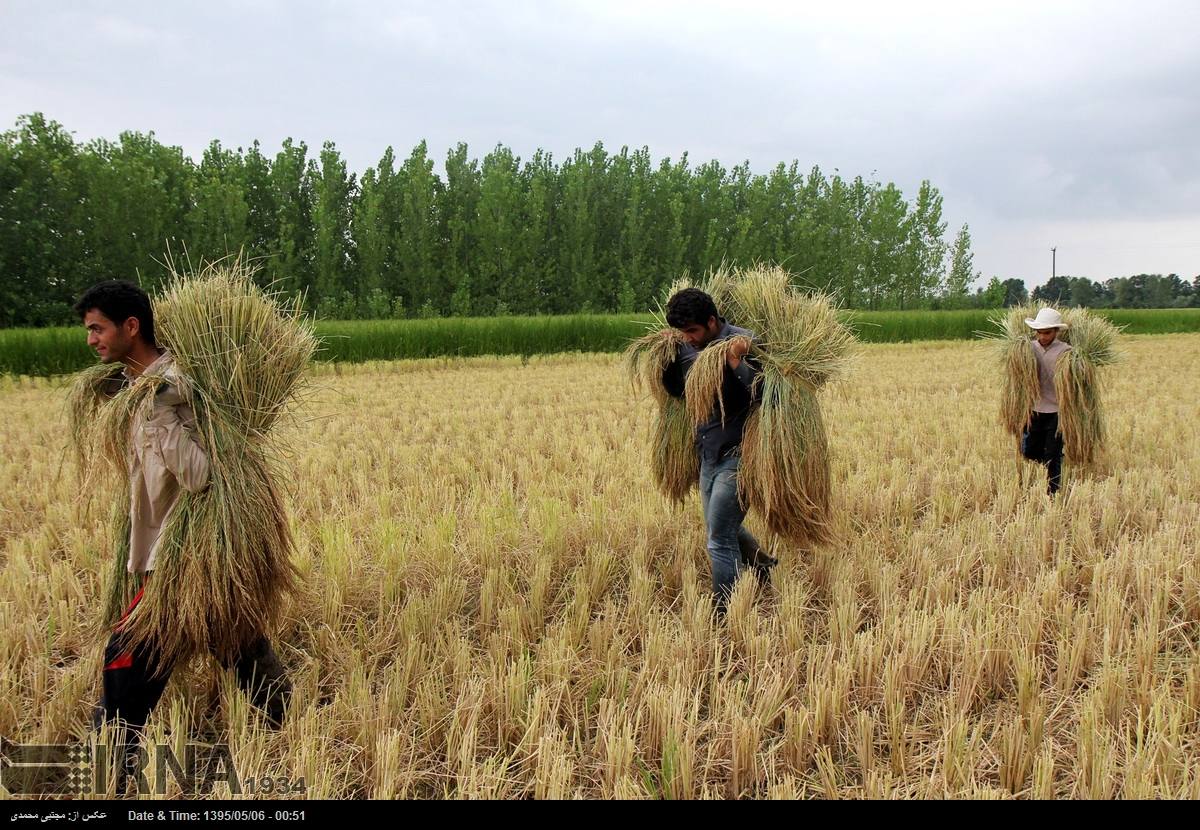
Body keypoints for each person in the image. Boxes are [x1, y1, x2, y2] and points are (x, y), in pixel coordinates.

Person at [74, 280, 290, 789]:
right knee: (229, 630)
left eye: (97, 328)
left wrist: (160, 415)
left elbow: (199, 475)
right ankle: (282, 712)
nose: (91, 340)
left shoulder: (171, 389)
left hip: (183, 549)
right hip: (172, 544)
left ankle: (113, 753)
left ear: (132, 327)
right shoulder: (140, 387)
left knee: (129, 651)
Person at [660, 287, 777, 616]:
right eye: (683, 332)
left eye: (693, 331)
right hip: (707, 453)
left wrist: (736, 362)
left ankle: (727, 611)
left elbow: (769, 394)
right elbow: (679, 393)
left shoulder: (744, 342)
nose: (689, 338)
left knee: (719, 539)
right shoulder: (686, 346)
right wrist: (668, 360)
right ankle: (761, 565)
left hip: (740, 456)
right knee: (721, 526)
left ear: (712, 322)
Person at [1020, 307, 1073, 496]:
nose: (1042, 336)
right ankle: (1041, 472)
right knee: (1029, 451)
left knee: (1053, 454)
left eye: (1047, 333)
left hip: (1057, 411)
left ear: (1056, 331)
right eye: (1039, 332)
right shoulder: (1026, 348)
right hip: (1033, 407)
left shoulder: (1067, 352)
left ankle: (1053, 493)